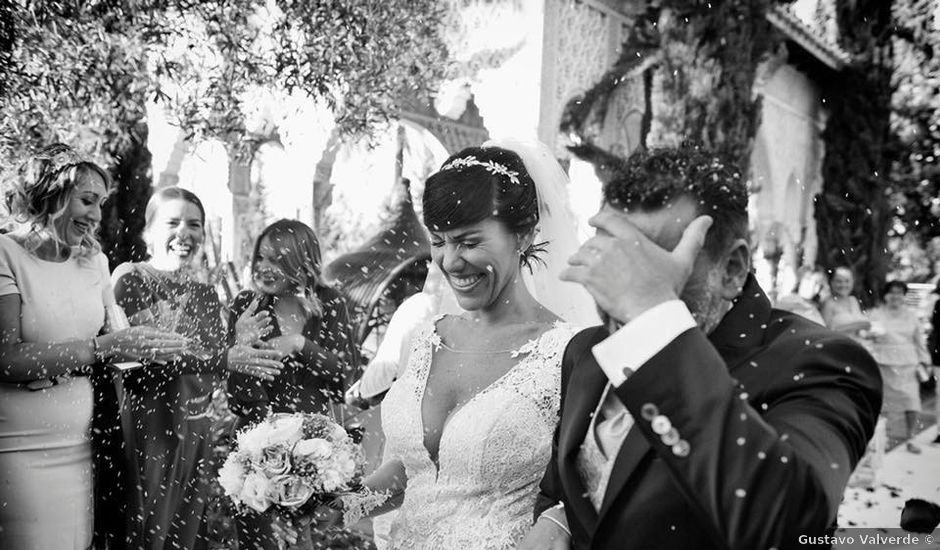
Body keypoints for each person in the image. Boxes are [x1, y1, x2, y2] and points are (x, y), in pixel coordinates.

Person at [520, 145, 882, 550]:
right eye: (612, 259)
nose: (619, 291)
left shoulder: (820, 361)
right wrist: (560, 517)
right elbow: (567, 487)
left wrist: (653, 317)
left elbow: (789, 529)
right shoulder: (586, 352)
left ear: (732, 269)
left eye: (648, 266)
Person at [335, 141, 591, 550]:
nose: (449, 262)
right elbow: (411, 470)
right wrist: (336, 506)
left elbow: (596, 481)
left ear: (523, 234)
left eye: (469, 242)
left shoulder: (567, 354)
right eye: (438, 241)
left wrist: (558, 523)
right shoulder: (426, 338)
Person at [0, 144, 187, 549]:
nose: (96, 217)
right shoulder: (5, 254)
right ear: (51, 195)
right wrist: (104, 347)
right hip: (19, 449)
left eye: (101, 204)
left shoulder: (94, 262)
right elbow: (7, 358)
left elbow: (117, 345)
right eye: (87, 201)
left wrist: (150, 344)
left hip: (86, 447)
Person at [227, 218, 360, 549]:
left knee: (301, 540)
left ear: (300, 263)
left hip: (313, 451)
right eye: (261, 257)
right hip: (257, 448)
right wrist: (242, 346)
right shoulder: (247, 304)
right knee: (262, 541)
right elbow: (238, 394)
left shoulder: (330, 304)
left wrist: (301, 345)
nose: (264, 267)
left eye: (276, 259)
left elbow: (344, 374)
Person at [111, 187, 228, 548]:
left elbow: (215, 370)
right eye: (173, 222)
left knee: (187, 536)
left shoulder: (207, 293)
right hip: (151, 428)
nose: (185, 233)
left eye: (194, 224)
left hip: (197, 430)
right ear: (148, 232)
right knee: (147, 532)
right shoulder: (132, 279)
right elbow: (156, 357)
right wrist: (225, 357)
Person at [866, 280, 931, 453]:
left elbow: (919, 340)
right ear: (885, 295)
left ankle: (911, 437)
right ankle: (882, 438)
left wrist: (925, 361)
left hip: (908, 364)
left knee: (911, 402)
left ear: (904, 295)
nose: (895, 296)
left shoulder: (911, 315)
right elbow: (867, 337)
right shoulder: (875, 314)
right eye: (892, 292)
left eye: (899, 292)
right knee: (883, 404)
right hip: (882, 362)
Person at [820, 266, 870, 339]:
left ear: (853, 282)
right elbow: (826, 332)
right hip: (838, 344)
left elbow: (858, 331)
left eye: (847, 281)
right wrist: (859, 325)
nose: (843, 285)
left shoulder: (853, 300)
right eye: (839, 281)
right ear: (831, 282)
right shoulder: (829, 303)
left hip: (857, 342)